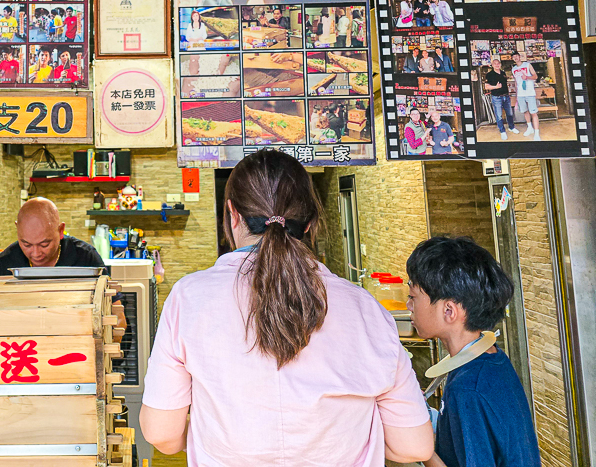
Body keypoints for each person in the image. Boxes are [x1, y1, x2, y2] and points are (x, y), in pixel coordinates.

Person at [139, 150, 433, 465]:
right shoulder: (366, 310)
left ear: (232, 215)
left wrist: (209, 435)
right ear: (309, 223)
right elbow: (413, 446)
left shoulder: (188, 298)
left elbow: (162, 434)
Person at [406, 237, 541, 467]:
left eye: (412, 297)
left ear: (449, 311)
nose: (408, 306)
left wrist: (419, 446)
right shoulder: (491, 360)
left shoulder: (467, 388)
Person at [482, 58, 519, 140]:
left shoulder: (503, 73)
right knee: (499, 115)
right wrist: (496, 87)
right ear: (492, 65)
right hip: (497, 98)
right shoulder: (489, 74)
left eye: (498, 63)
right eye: (495, 63)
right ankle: (502, 131)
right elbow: (486, 86)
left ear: (500, 64)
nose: (497, 65)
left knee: (509, 113)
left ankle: (511, 127)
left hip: (506, 96)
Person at [511, 52, 541, 141]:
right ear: (512, 59)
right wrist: (517, 94)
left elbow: (535, 76)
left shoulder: (527, 65)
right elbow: (516, 82)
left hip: (530, 93)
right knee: (525, 111)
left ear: (520, 57)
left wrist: (527, 77)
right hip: (520, 94)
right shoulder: (514, 69)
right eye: (514, 57)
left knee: (533, 113)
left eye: (516, 56)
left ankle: (536, 133)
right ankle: (530, 128)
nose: (515, 58)